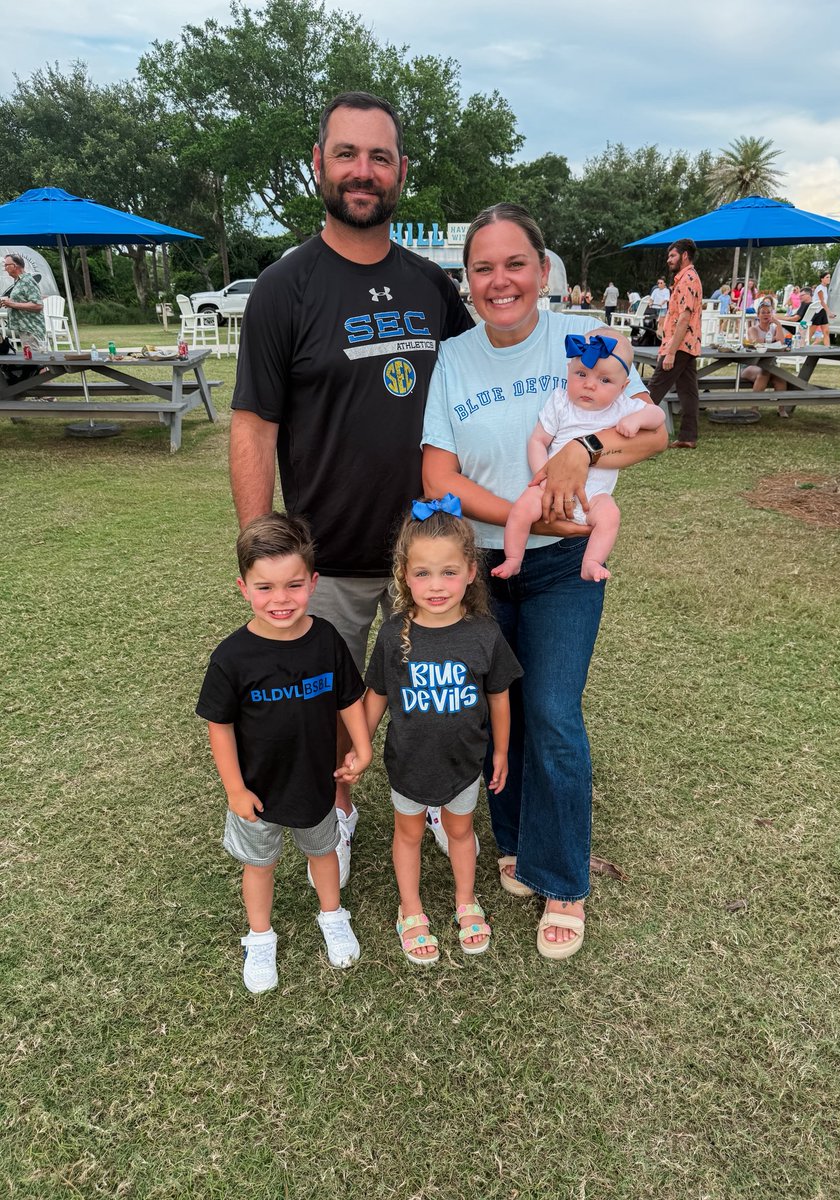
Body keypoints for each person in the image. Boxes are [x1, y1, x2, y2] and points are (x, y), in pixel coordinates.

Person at [229, 92, 472, 880]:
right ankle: (338, 806)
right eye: (346, 154)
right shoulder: (283, 288)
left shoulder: (433, 287)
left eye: (378, 156)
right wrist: (267, 554)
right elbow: (253, 427)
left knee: (433, 690)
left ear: (401, 172)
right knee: (322, 703)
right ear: (318, 165)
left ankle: (433, 797)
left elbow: (485, 384)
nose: (362, 171)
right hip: (325, 555)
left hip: (426, 554)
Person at [421, 203, 667, 958]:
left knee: (554, 709)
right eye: (484, 268)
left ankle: (563, 878)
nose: (501, 281)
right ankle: (519, 839)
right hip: (485, 567)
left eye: (515, 264)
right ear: (468, 281)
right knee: (504, 710)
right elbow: (439, 474)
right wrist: (531, 512)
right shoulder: (454, 358)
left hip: (566, 567)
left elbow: (652, 432)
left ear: (543, 270)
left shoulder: (586, 342)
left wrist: (583, 451)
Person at [196, 513, 373, 992]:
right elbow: (219, 724)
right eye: (265, 587)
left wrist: (362, 745)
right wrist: (234, 789)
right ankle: (259, 937)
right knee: (260, 865)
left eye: (293, 585)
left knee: (325, 853)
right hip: (258, 790)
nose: (280, 600)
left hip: (315, 781)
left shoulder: (326, 639)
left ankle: (333, 916)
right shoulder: (232, 658)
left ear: (313, 582)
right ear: (243, 587)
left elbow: (349, 697)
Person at [364, 498, 522, 964]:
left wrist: (501, 752)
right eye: (424, 573)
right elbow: (376, 693)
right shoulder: (394, 634)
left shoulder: (485, 634)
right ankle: (410, 908)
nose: (436, 586)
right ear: (404, 575)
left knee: (459, 830)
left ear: (471, 571)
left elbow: (499, 697)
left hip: (465, 763)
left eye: (449, 572)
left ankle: (465, 901)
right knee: (408, 833)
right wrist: (360, 746)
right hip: (408, 761)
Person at [492, 330, 665, 583]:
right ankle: (514, 559)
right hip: (550, 488)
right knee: (521, 509)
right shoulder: (561, 403)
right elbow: (538, 440)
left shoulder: (623, 407)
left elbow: (658, 416)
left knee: (610, 515)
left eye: (604, 380)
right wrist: (543, 477)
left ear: (622, 387)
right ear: (568, 371)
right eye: (581, 374)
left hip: (593, 498)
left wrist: (638, 419)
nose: (590, 384)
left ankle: (591, 562)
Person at [646, 238, 703, 449]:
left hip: (679, 345)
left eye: (672, 255)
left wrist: (670, 352)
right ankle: (688, 436)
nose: (668, 260)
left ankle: (635, 434)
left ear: (685, 255)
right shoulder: (686, 278)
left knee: (654, 389)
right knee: (688, 391)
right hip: (686, 344)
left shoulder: (688, 278)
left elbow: (685, 318)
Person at [739, 301, 791, 415]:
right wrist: (773, 340)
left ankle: (781, 409)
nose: (766, 315)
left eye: (768, 312)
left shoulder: (774, 329)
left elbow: (782, 342)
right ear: (758, 315)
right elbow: (755, 341)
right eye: (763, 312)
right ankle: (754, 408)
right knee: (764, 373)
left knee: (780, 377)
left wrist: (779, 325)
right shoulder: (753, 329)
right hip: (751, 365)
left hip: (770, 365)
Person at [1, 253, 46, 352]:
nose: (5, 268)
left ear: (15, 266)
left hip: (31, 328)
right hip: (24, 328)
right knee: (30, 360)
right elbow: (23, 299)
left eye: (6, 265)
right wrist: (7, 302)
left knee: (35, 361)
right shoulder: (19, 282)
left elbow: (38, 305)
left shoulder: (27, 281)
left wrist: (11, 304)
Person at [810, 271, 835, 346]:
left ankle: (828, 349)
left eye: (829, 277)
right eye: (827, 277)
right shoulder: (819, 288)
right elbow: (822, 302)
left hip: (822, 311)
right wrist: (829, 312)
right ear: (822, 279)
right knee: (811, 332)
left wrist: (827, 311)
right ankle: (804, 346)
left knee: (826, 331)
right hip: (817, 311)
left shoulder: (825, 288)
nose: (829, 279)